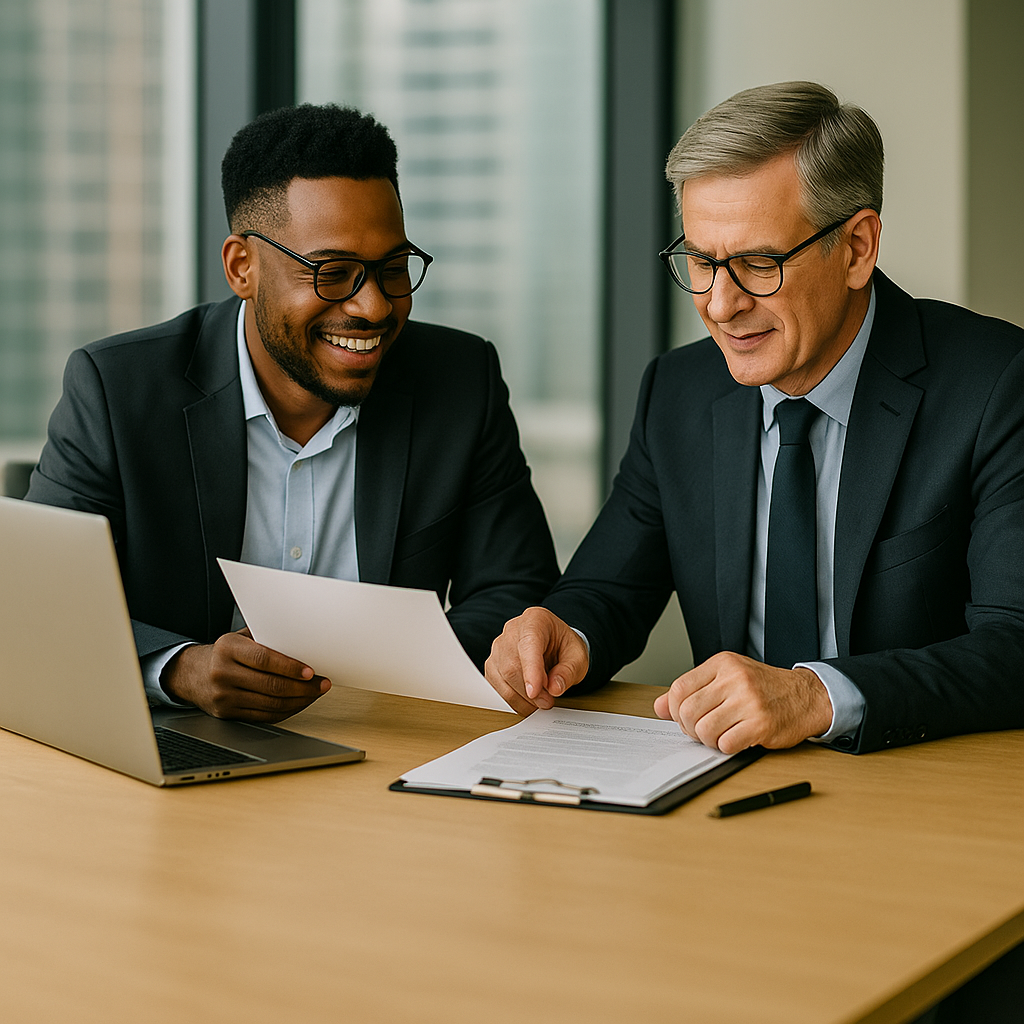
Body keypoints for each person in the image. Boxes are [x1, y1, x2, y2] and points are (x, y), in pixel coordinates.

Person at [485, 81, 1024, 755]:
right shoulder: (678, 391)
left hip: (914, 779)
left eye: (758, 264)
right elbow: (607, 590)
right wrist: (563, 632)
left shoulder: (996, 385)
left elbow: (1014, 644)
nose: (719, 304)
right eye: (701, 261)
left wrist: (815, 696)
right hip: (728, 780)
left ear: (857, 247)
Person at [28, 103, 558, 722]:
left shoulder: (460, 380)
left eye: (392, 269)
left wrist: (385, 674)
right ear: (242, 268)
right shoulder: (117, 390)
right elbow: (41, 603)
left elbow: (516, 590)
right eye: (333, 273)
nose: (373, 307)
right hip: (177, 735)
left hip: (390, 738)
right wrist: (179, 669)